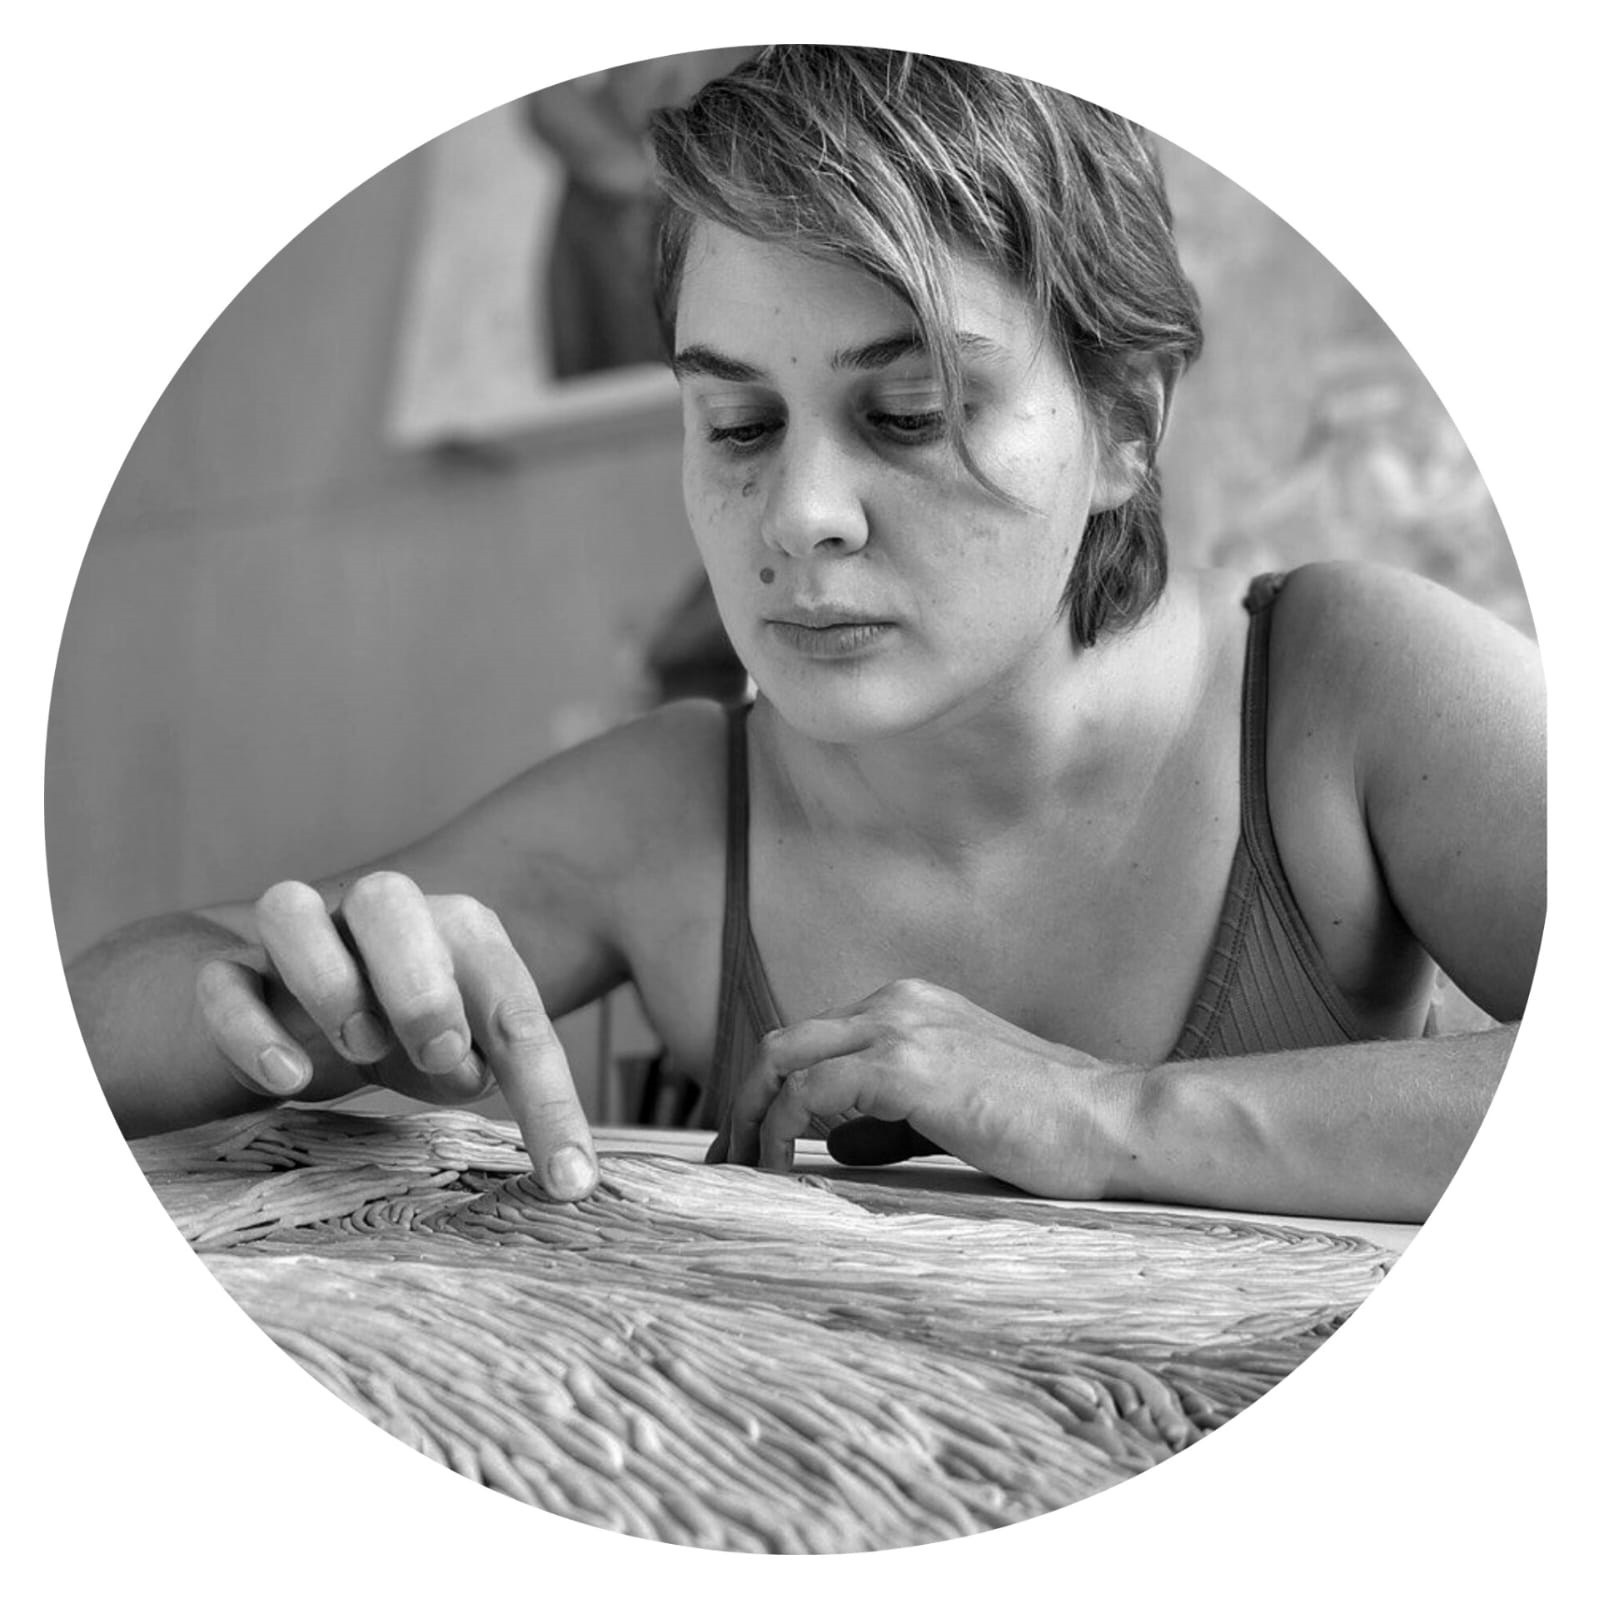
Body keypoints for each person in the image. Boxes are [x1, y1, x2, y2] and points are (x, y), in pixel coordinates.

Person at [66, 47, 1544, 1225]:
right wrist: (278, 986)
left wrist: (1107, 1117)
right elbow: (96, 1023)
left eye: (909, 412)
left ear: (1124, 430)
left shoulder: (1349, 688)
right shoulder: (668, 808)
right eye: (737, 423)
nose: (800, 515)